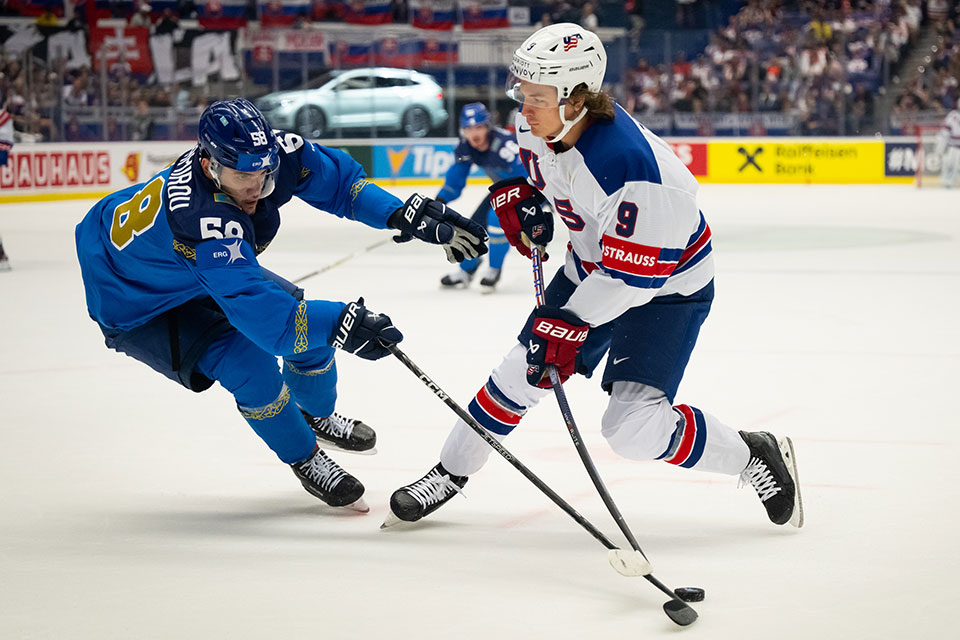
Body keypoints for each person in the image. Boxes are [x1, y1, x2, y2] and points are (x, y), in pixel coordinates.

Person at [384, 24, 803, 529]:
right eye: (523, 93)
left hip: (667, 287)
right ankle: (450, 473)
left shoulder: (637, 173)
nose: (523, 107)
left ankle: (751, 454)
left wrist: (568, 323)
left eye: (536, 97)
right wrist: (523, 196)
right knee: (519, 371)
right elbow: (541, 176)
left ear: (577, 98)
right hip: (592, 266)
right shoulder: (540, 122)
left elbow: (631, 282)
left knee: (631, 430)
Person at [76, 98, 486, 512]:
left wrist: (399, 214)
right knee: (248, 364)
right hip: (134, 299)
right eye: (242, 176)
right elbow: (272, 325)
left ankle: (315, 415)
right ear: (209, 166)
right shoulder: (200, 219)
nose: (256, 186)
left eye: (263, 172)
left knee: (314, 332)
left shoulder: (268, 153)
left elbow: (343, 185)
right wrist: (343, 320)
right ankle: (305, 456)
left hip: (185, 270)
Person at [437, 103, 526, 292]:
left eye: (478, 127)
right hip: (502, 190)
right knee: (472, 228)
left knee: (496, 219)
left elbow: (530, 176)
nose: (474, 134)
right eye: (468, 129)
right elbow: (456, 178)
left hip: (526, 190)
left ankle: (494, 269)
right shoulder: (466, 148)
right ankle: (466, 270)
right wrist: (440, 200)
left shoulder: (505, 146)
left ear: (487, 126)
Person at [937, 97, 960, 188]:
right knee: (950, 163)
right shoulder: (952, 115)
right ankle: (946, 181)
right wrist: (942, 143)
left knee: (954, 165)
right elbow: (945, 130)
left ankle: (950, 181)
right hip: (953, 146)